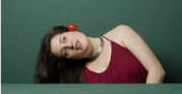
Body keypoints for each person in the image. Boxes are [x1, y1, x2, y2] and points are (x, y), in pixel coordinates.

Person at [35, 24, 166, 84]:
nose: (69, 45)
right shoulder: (83, 78)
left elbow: (157, 71)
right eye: (65, 51)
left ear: (71, 28)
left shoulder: (122, 33)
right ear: (69, 59)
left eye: (64, 39)